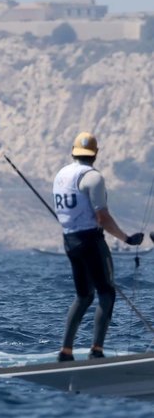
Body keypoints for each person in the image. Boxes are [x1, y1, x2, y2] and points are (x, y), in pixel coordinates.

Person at [52, 131, 143, 361]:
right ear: (96, 154)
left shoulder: (61, 175)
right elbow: (102, 217)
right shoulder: (94, 177)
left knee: (83, 296)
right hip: (91, 241)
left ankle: (65, 351)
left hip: (69, 241)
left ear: (73, 151)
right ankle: (96, 351)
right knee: (106, 293)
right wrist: (127, 239)